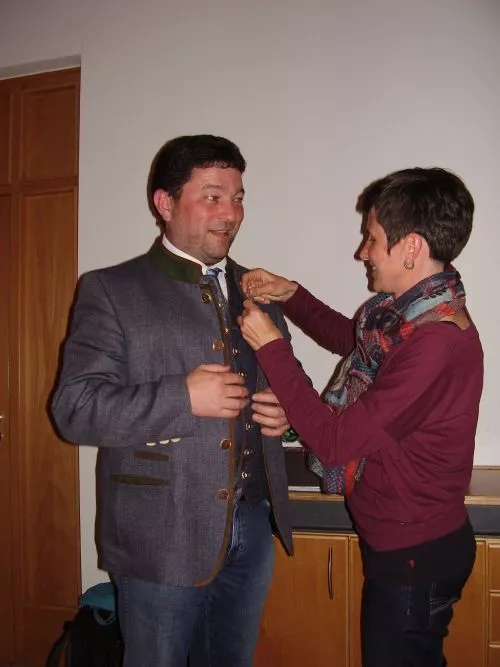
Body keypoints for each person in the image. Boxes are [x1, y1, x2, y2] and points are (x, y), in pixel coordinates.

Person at [51, 134, 294, 667]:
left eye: (238, 197)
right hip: (162, 536)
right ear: (165, 203)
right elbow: (74, 408)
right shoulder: (111, 290)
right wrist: (182, 397)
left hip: (253, 528)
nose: (230, 213)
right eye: (212, 196)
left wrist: (282, 413)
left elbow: (286, 383)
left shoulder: (257, 292)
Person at [238, 167, 483, 667]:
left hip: (414, 556)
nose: (362, 252)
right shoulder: (409, 318)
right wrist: (291, 295)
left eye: (372, 238)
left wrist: (272, 347)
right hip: (411, 546)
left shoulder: (435, 343)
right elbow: (350, 340)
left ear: (410, 248)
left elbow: (335, 442)